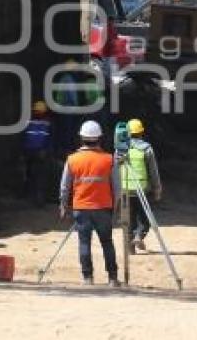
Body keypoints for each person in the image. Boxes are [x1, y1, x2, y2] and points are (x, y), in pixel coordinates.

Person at [59, 120, 121, 286]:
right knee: (107, 242)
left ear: (82, 138)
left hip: (81, 208)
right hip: (103, 208)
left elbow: (64, 186)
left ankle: (88, 278)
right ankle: (113, 278)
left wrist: (63, 205)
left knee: (84, 242)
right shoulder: (109, 159)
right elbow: (117, 187)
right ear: (99, 138)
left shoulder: (72, 160)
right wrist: (115, 207)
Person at [120, 119, 162, 253]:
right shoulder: (147, 149)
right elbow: (153, 171)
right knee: (145, 219)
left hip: (125, 188)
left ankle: (130, 248)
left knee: (129, 219)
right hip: (142, 189)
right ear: (141, 132)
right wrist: (157, 188)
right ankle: (139, 235)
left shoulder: (121, 149)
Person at [22, 101, 53, 207]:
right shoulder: (47, 124)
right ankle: (39, 198)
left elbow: (24, 138)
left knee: (30, 174)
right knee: (41, 176)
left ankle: (30, 195)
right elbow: (50, 140)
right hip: (40, 152)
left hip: (30, 152)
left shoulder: (28, 122)